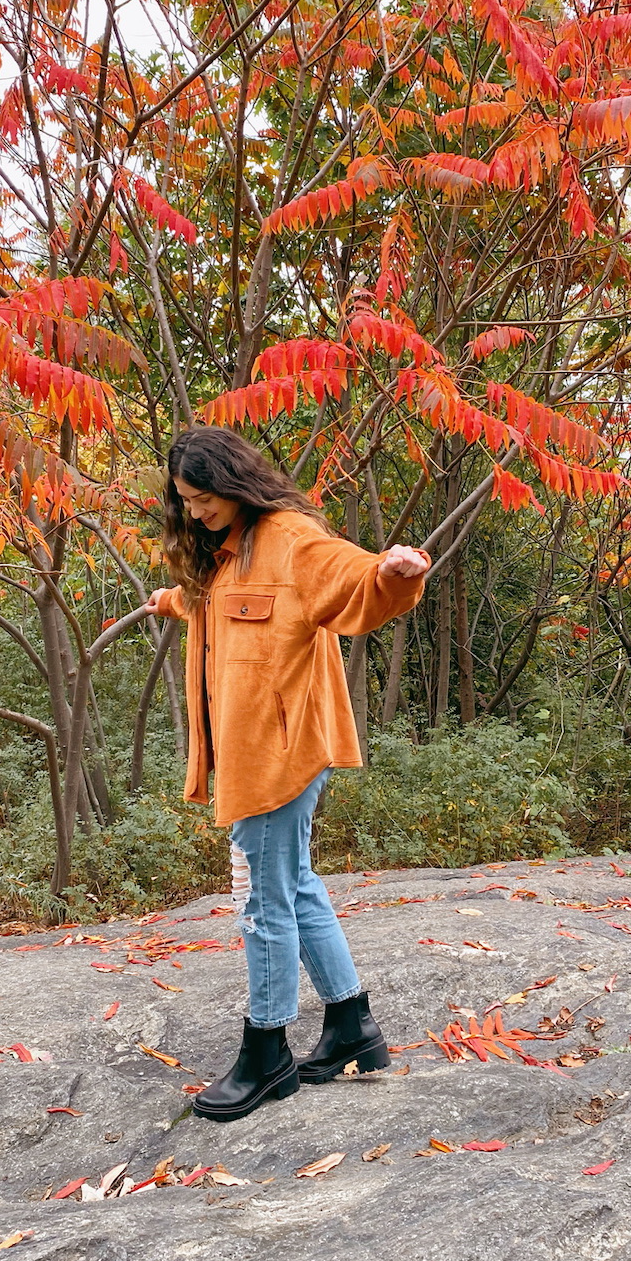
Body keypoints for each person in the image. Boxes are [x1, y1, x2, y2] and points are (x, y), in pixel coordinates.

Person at [143, 425, 430, 1123]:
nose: (195, 512)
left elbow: (349, 578)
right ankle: (350, 1027)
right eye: (184, 501)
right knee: (295, 886)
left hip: (281, 755)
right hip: (251, 752)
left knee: (263, 903)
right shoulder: (227, 550)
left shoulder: (291, 538)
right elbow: (229, 613)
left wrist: (392, 572)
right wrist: (173, 601)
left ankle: (266, 1053)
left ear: (233, 485)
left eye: (203, 499)